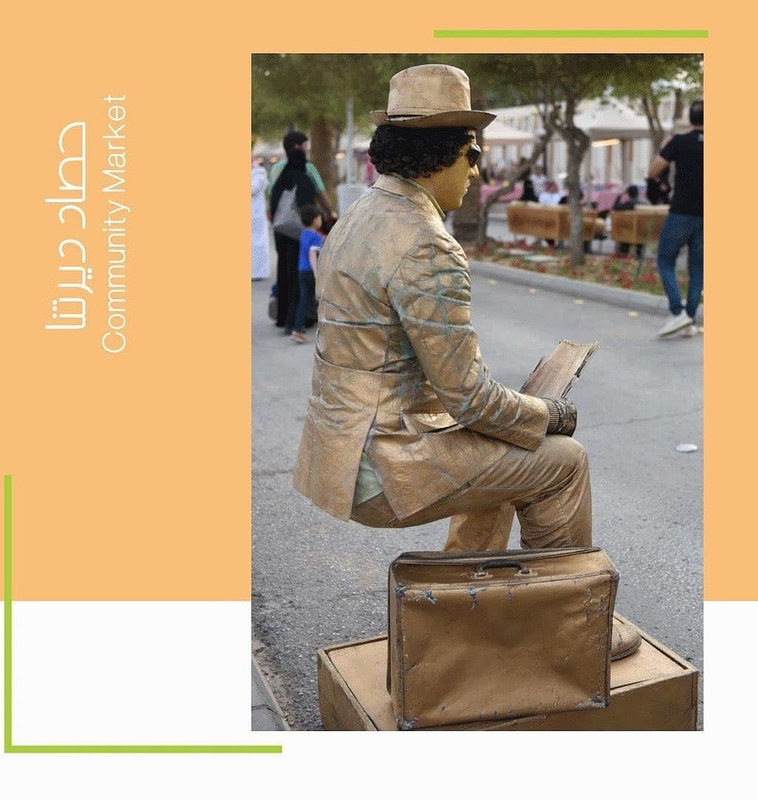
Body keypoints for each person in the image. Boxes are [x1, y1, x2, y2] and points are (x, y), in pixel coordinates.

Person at [293, 63, 640, 660]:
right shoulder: (426, 243)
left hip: (341, 448)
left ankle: (451, 617)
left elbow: (440, 382)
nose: (476, 171)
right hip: (383, 460)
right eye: (471, 155)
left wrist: (517, 417)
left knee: (508, 455)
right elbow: (469, 398)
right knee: (563, 462)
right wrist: (548, 413)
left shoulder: (361, 216)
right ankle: (567, 629)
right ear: (439, 157)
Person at [648, 100, 703, 338]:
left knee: (665, 259)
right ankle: (689, 321)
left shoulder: (679, 142)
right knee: (698, 268)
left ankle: (677, 312)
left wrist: (664, 147)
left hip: (682, 211)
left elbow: (654, 171)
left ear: (690, 119)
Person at [269, 148, 319, 334]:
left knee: (284, 274)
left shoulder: (280, 181)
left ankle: (283, 317)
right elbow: (309, 208)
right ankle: (298, 319)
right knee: (298, 280)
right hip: (298, 236)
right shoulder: (304, 180)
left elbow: (273, 206)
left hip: (281, 235)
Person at [289, 205, 324, 344]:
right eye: (319, 218)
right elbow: (312, 254)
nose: (321, 220)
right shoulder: (316, 237)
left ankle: (297, 330)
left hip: (301, 271)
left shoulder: (303, 234)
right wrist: (316, 273)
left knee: (303, 301)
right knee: (321, 299)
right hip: (311, 271)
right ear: (315, 220)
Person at [612, 184, 647, 258]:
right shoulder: (646, 201)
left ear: (628, 193)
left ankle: (624, 253)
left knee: (625, 229)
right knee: (634, 227)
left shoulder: (630, 202)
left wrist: (619, 196)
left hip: (632, 231)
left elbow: (615, 208)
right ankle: (639, 254)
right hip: (644, 231)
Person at [251, 158, 271, 281]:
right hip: (254, 214)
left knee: (257, 242)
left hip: (256, 214)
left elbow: (253, 188)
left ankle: (257, 272)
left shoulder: (259, 173)